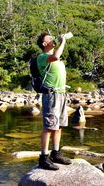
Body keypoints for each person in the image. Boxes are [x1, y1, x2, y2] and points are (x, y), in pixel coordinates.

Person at [36, 33, 72, 170]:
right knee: (49, 126)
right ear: (44, 44)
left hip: (62, 94)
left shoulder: (56, 59)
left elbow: (58, 57)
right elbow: (56, 56)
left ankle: (56, 153)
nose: (53, 40)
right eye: (50, 39)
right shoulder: (42, 57)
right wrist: (63, 42)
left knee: (59, 125)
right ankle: (43, 158)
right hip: (51, 95)